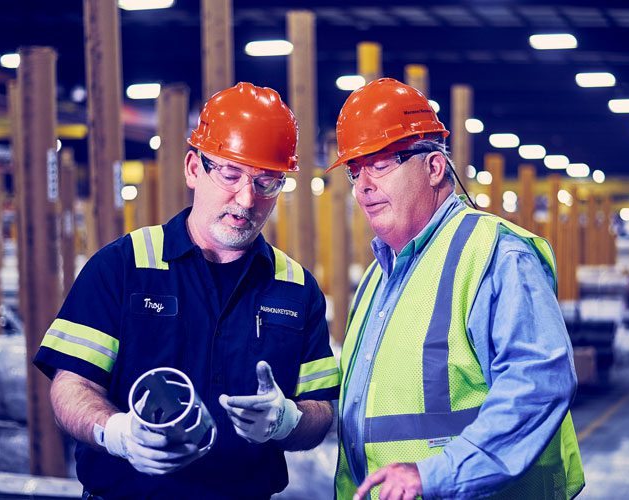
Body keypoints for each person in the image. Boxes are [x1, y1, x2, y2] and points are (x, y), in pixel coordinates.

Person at [33, 82, 340, 499]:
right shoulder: (124, 266)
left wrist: (286, 419)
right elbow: (71, 385)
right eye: (231, 174)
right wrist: (118, 433)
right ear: (194, 168)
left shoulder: (296, 288)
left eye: (268, 183)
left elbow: (321, 410)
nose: (247, 199)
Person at [326, 78, 585, 499]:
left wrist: (435, 475)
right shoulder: (379, 276)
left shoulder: (495, 254)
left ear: (434, 167)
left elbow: (538, 385)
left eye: (381, 163)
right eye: (356, 169)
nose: (364, 185)